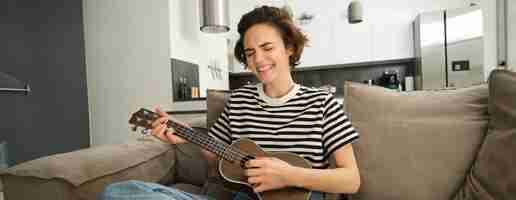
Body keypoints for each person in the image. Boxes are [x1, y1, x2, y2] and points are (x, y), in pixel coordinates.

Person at [101, 5, 360, 200]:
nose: (258, 59)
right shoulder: (239, 101)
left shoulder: (322, 103)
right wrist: (185, 135)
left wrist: (289, 175)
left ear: (289, 48)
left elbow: (351, 180)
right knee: (121, 192)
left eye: (267, 48)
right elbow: (217, 157)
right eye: (250, 53)